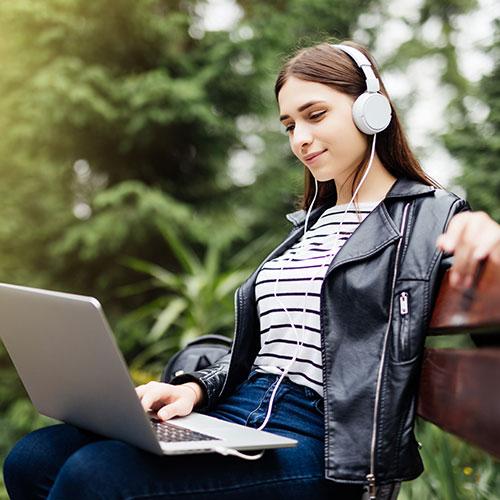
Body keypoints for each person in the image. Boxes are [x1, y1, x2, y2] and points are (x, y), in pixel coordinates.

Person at [4, 40, 500, 500]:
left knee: (95, 476)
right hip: (243, 410)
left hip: (325, 441)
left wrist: (490, 244)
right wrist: (195, 388)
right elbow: (265, 352)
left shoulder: (429, 214)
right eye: (289, 125)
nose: (300, 139)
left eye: (315, 114)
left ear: (372, 110)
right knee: (34, 458)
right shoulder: (308, 226)